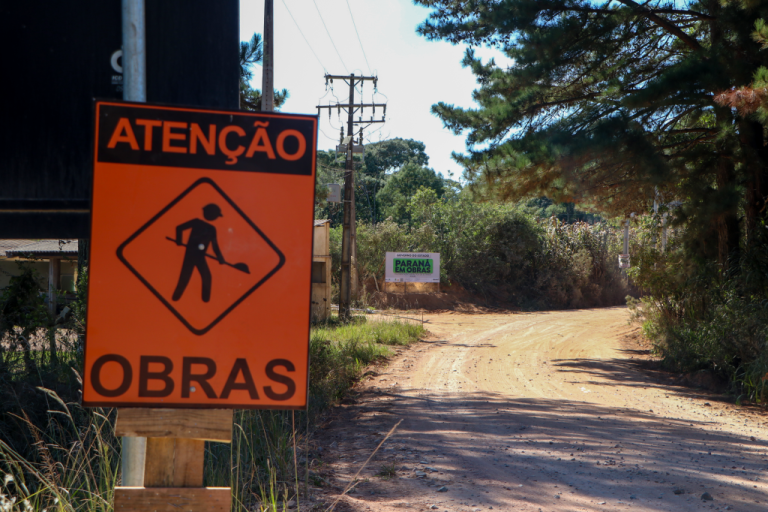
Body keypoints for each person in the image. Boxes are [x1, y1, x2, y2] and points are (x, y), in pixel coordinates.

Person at [171, 203, 225, 303]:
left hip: (200, 256)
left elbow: (214, 245)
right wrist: (179, 241)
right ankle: (176, 297)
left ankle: (206, 300)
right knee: (185, 276)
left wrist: (220, 258)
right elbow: (179, 228)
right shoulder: (196, 222)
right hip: (191, 254)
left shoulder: (212, 229)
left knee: (206, 276)